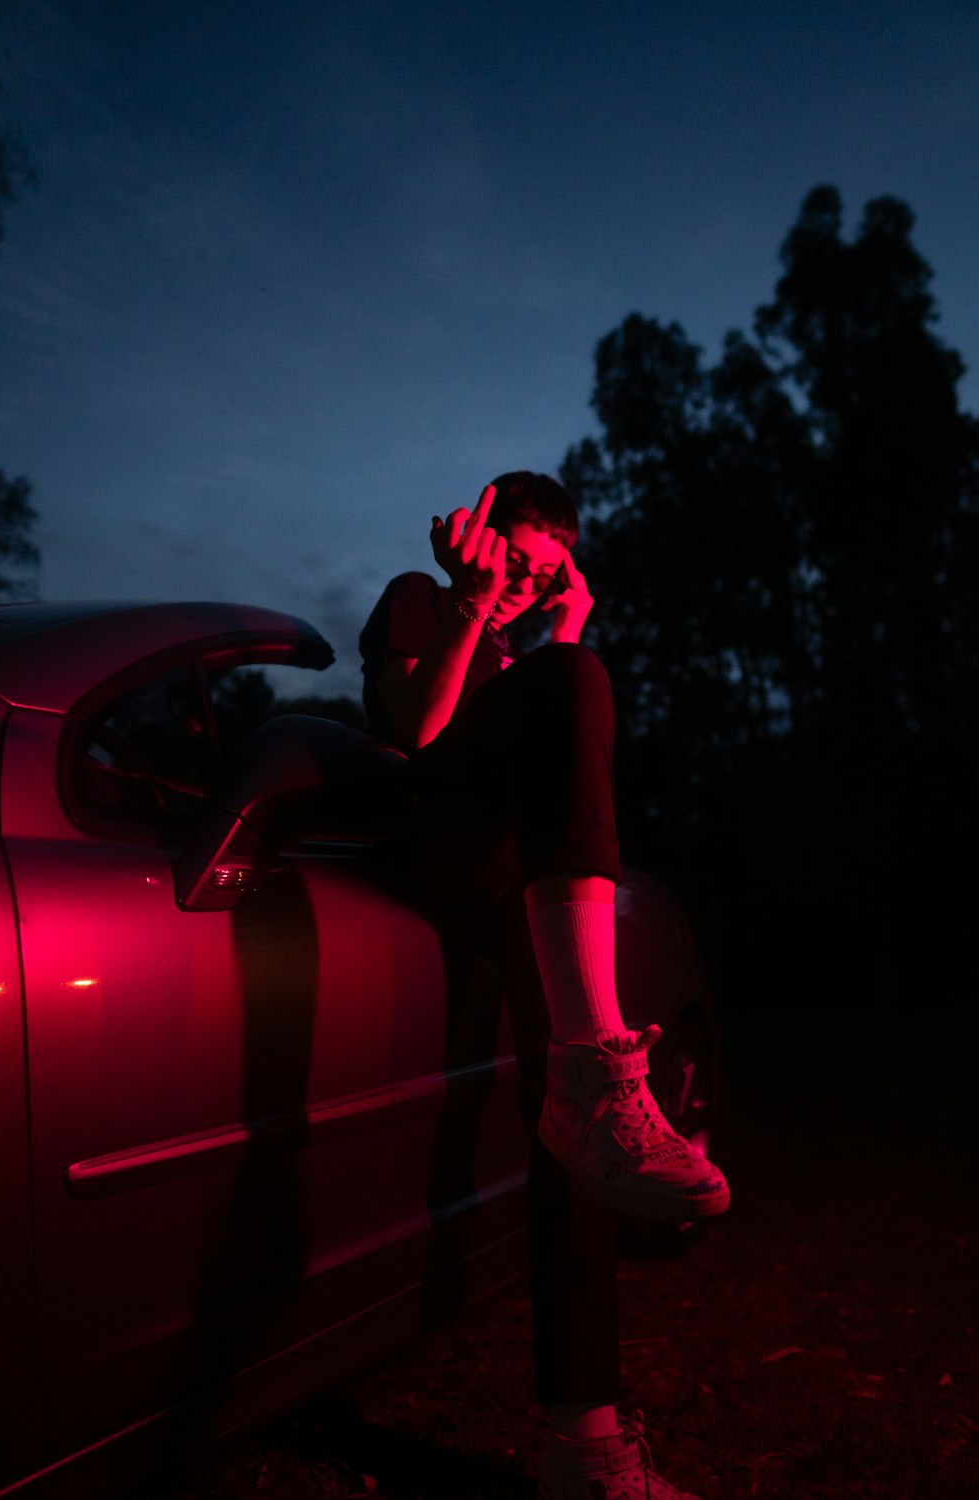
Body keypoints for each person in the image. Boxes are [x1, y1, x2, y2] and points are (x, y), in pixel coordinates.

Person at [359, 473, 728, 1500]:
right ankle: (601, 1075)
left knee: (570, 1129)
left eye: (541, 571)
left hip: (513, 887)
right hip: (428, 845)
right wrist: (472, 606)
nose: (520, 581)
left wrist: (566, 622)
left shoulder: (540, 657)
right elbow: (414, 735)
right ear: (476, 538)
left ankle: (584, 1440)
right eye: (512, 559)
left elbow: (566, 790)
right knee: (575, 682)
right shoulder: (423, 602)